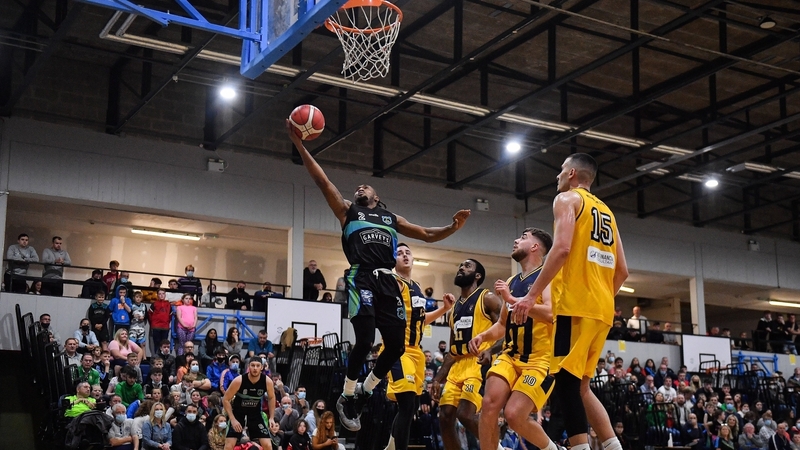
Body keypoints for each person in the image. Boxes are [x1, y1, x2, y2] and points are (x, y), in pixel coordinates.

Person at [287, 120, 471, 432]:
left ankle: (365, 390)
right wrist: (300, 145)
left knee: (396, 346)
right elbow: (322, 181)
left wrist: (452, 227)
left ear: (376, 195)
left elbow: (427, 234)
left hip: (387, 280)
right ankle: (347, 395)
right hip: (361, 277)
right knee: (365, 339)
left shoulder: (390, 218)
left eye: (365, 186)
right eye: (357, 188)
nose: (359, 188)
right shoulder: (347, 211)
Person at [507, 154, 629, 450]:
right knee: (582, 387)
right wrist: (600, 301)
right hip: (602, 309)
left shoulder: (567, 199)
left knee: (564, 382)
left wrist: (531, 295)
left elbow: (561, 249)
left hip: (575, 306)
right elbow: (623, 271)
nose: (558, 176)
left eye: (561, 170)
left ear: (572, 173)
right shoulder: (607, 213)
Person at [469, 228, 561, 450]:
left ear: (535, 247)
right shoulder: (511, 281)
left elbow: (551, 314)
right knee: (489, 405)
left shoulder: (547, 276)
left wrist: (512, 299)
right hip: (510, 356)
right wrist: (483, 335)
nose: (516, 240)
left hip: (539, 360)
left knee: (513, 415)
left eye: (523, 237)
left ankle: (553, 449)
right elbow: (502, 324)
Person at [384, 243, 454, 450]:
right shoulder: (391, 282)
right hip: (398, 350)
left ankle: (390, 446)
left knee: (411, 405)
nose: (405, 255)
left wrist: (444, 309)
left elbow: (420, 320)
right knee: (406, 404)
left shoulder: (416, 286)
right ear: (393, 260)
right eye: (399, 253)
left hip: (416, 351)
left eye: (408, 253)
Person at [434, 259, 502, 450]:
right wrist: (438, 378)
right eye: (460, 266)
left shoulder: (487, 298)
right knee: (444, 417)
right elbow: (452, 351)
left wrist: (490, 350)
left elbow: (507, 330)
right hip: (457, 367)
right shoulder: (453, 310)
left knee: (465, 414)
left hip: (479, 363)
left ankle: (498, 447)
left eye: (467, 266)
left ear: (477, 275)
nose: (461, 268)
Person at [222, 357, 277, 450]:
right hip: (238, 415)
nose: (255, 368)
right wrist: (232, 419)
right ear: (249, 366)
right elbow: (225, 399)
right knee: (228, 446)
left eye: (258, 366)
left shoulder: (267, 381)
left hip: (256, 415)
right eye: (253, 365)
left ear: (262, 367)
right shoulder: (239, 380)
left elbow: (271, 398)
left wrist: (271, 417)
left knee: (268, 445)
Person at [149, 289, 173, 357]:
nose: (161, 295)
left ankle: (163, 358)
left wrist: (167, 321)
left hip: (165, 327)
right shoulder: (154, 304)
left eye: (163, 293)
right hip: (156, 327)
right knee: (156, 343)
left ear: (165, 295)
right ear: (157, 295)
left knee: (164, 344)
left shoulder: (168, 304)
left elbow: (170, 315)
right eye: (160, 294)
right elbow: (150, 314)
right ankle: (156, 358)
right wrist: (153, 322)